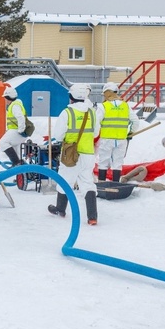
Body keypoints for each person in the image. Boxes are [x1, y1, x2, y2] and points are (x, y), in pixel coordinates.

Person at [48, 83, 100, 225]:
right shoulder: (92, 113)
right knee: (88, 184)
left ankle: (60, 209)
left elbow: (58, 136)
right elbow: (95, 133)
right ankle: (92, 217)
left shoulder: (67, 113)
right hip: (88, 154)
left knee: (65, 181)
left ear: (71, 97)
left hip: (71, 154)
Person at [95, 82, 140, 182]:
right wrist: (130, 132)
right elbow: (136, 121)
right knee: (118, 164)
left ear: (107, 93)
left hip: (106, 139)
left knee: (103, 162)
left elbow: (95, 123)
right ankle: (116, 184)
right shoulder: (125, 106)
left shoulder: (103, 106)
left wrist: (95, 135)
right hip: (121, 140)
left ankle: (101, 184)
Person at [0, 86, 27, 167]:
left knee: (2, 143)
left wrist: (21, 130)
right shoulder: (15, 104)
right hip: (15, 130)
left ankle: (16, 162)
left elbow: (20, 117)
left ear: (8, 97)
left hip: (17, 131)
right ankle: (20, 173)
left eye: (5, 98)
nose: (5, 100)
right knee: (17, 152)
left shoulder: (14, 106)